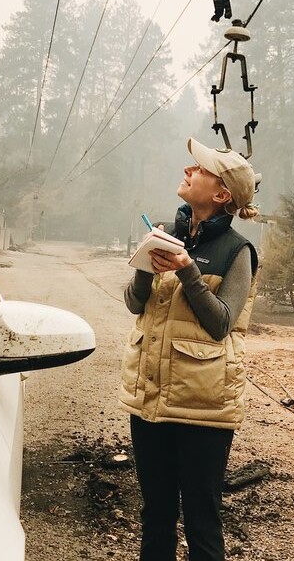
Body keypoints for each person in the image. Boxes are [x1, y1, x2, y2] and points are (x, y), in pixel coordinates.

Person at [120, 138, 261, 561]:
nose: (187, 171)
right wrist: (147, 265)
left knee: (202, 518)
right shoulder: (166, 231)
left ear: (221, 196)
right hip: (151, 400)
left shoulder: (238, 251)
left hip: (204, 407)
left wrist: (187, 272)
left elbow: (221, 322)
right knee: (156, 515)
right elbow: (134, 304)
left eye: (198, 169)